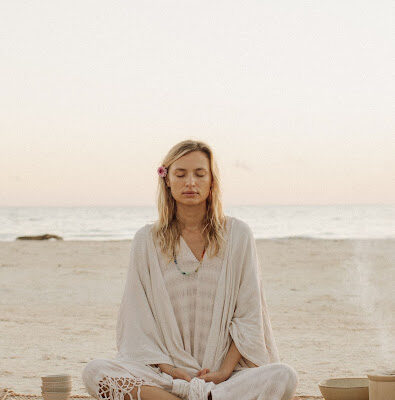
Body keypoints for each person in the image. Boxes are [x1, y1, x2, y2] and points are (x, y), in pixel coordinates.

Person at [81, 140, 298, 400]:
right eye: (180, 174)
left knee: (283, 376)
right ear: (167, 181)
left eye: (199, 174)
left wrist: (223, 372)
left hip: (225, 377)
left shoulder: (238, 234)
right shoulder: (146, 239)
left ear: (212, 181)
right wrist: (171, 369)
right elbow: (137, 316)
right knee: (96, 372)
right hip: (165, 375)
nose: (190, 182)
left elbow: (249, 315)